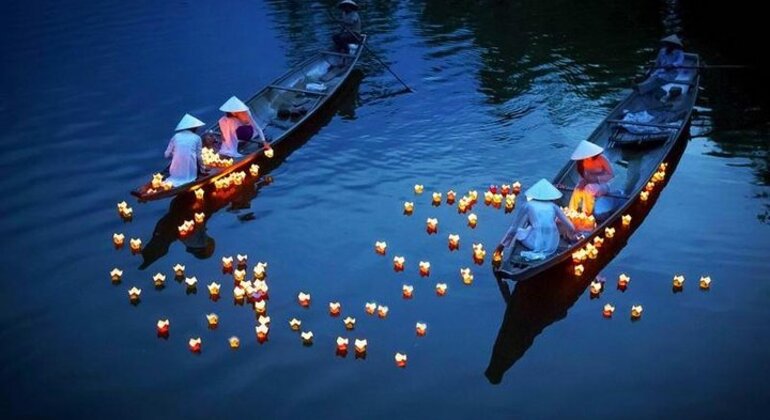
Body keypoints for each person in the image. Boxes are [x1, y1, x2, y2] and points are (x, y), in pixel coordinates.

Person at [495, 179, 577, 260]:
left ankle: (507, 247)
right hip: (551, 245)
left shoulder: (528, 205)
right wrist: (572, 237)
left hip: (534, 244)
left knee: (519, 231)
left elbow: (514, 228)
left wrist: (501, 246)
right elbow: (571, 227)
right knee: (552, 226)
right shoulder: (553, 206)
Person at [568, 140, 614, 215]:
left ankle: (586, 212)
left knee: (589, 188)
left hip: (602, 185)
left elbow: (611, 175)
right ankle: (571, 210)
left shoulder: (601, 159)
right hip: (588, 182)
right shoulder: (581, 161)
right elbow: (583, 176)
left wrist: (597, 179)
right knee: (577, 189)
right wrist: (582, 182)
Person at [164, 113, 205, 186]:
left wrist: (174, 154)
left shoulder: (176, 136)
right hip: (190, 173)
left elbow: (166, 155)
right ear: (194, 128)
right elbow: (199, 157)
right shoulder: (197, 138)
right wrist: (203, 169)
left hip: (174, 172)